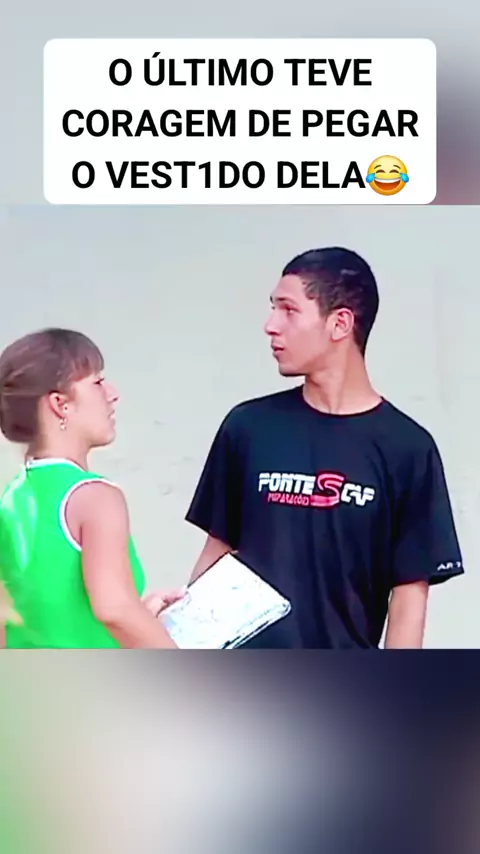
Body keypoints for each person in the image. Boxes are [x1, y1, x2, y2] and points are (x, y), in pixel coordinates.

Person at [185, 246, 464, 649]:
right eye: (273, 308)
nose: (270, 326)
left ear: (340, 323)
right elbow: (217, 555)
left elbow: (408, 599)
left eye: (288, 310)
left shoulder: (408, 449)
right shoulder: (247, 427)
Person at [0, 328, 182, 649]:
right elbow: (115, 609)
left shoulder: (13, 497)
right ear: (60, 404)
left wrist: (142, 615)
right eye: (97, 382)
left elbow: (41, 612)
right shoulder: (95, 497)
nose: (112, 394)